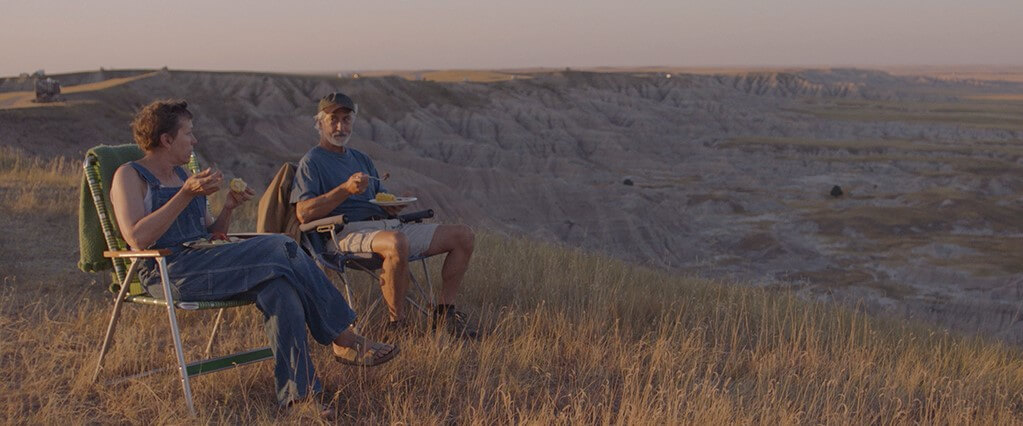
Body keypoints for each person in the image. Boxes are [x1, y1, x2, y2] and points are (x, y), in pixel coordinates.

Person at [108, 99, 397, 412]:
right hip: (169, 271)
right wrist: (185, 194)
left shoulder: (181, 176)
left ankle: (298, 398)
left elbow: (211, 233)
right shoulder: (130, 176)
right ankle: (343, 337)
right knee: (280, 244)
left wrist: (229, 206)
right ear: (166, 139)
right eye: (188, 133)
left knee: (281, 289)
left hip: (206, 261)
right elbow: (137, 238)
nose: (195, 140)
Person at [291, 92, 478, 339]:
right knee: (396, 241)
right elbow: (303, 214)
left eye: (346, 119)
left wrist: (392, 205)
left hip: (387, 225)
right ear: (320, 123)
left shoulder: (361, 159)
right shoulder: (312, 161)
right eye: (333, 119)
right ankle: (396, 327)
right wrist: (345, 190)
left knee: (463, 236)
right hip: (343, 233)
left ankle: (444, 316)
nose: (340, 126)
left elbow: (380, 198)